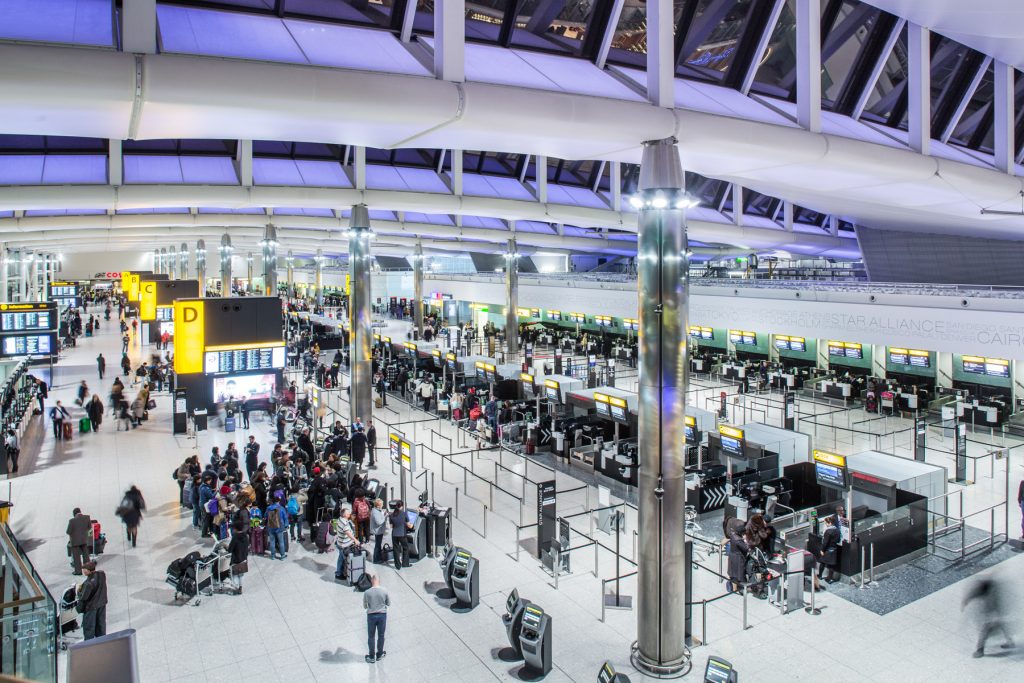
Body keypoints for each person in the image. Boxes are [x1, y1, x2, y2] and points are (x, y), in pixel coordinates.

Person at [962, 577, 1015, 658]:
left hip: (991, 616)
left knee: (984, 632)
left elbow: (974, 595)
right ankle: (1010, 642)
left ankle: (980, 650)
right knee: (1001, 625)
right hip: (995, 614)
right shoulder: (992, 591)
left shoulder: (988, 595)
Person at [77, 561, 107, 640]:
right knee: (100, 625)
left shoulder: (87, 584)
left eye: (85, 569)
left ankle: (89, 646)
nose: (83, 571)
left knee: (89, 628)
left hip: (91, 608)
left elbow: (83, 597)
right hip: (102, 603)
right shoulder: (102, 574)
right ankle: (102, 642)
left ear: (89, 570)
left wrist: (79, 592)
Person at [363, 574, 390, 663]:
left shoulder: (367, 592)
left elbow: (365, 606)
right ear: (379, 581)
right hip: (382, 615)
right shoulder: (384, 591)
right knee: (381, 635)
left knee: (371, 636)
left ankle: (371, 656)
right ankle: (380, 654)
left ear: (371, 581)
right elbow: (388, 603)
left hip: (371, 616)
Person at [333, 507, 358, 581]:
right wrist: (355, 540)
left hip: (340, 543)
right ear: (344, 515)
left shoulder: (340, 519)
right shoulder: (344, 523)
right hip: (344, 545)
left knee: (341, 558)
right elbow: (348, 533)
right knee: (344, 559)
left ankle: (339, 572)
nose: (349, 514)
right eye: (348, 513)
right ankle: (340, 574)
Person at [66, 508, 92, 575]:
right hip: (84, 540)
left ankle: (78, 571)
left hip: (75, 542)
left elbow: (68, 531)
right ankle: (88, 569)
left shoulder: (72, 521)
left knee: (76, 557)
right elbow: (89, 528)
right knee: (86, 555)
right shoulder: (87, 517)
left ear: (74, 514)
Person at [228, 520, 250, 595]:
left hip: (235, 560)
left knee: (234, 576)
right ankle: (240, 587)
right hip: (244, 558)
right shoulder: (246, 536)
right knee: (241, 575)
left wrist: (226, 546)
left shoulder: (235, 538)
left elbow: (230, 550)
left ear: (236, 529)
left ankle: (236, 588)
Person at [389, 501, 410, 570]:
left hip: (394, 534)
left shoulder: (391, 515)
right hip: (402, 534)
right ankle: (405, 563)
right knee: (405, 548)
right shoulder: (404, 514)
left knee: (396, 549)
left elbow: (391, 526)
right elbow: (408, 524)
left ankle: (398, 566)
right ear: (401, 506)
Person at [370, 498, 388, 564]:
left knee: (378, 544)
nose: (382, 506)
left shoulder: (376, 510)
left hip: (378, 530)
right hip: (377, 531)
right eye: (381, 505)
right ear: (378, 505)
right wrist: (385, 516)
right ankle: (376, 559)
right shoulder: (375, 512)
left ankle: (378, 557)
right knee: (377, 545)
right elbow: (379, 522)